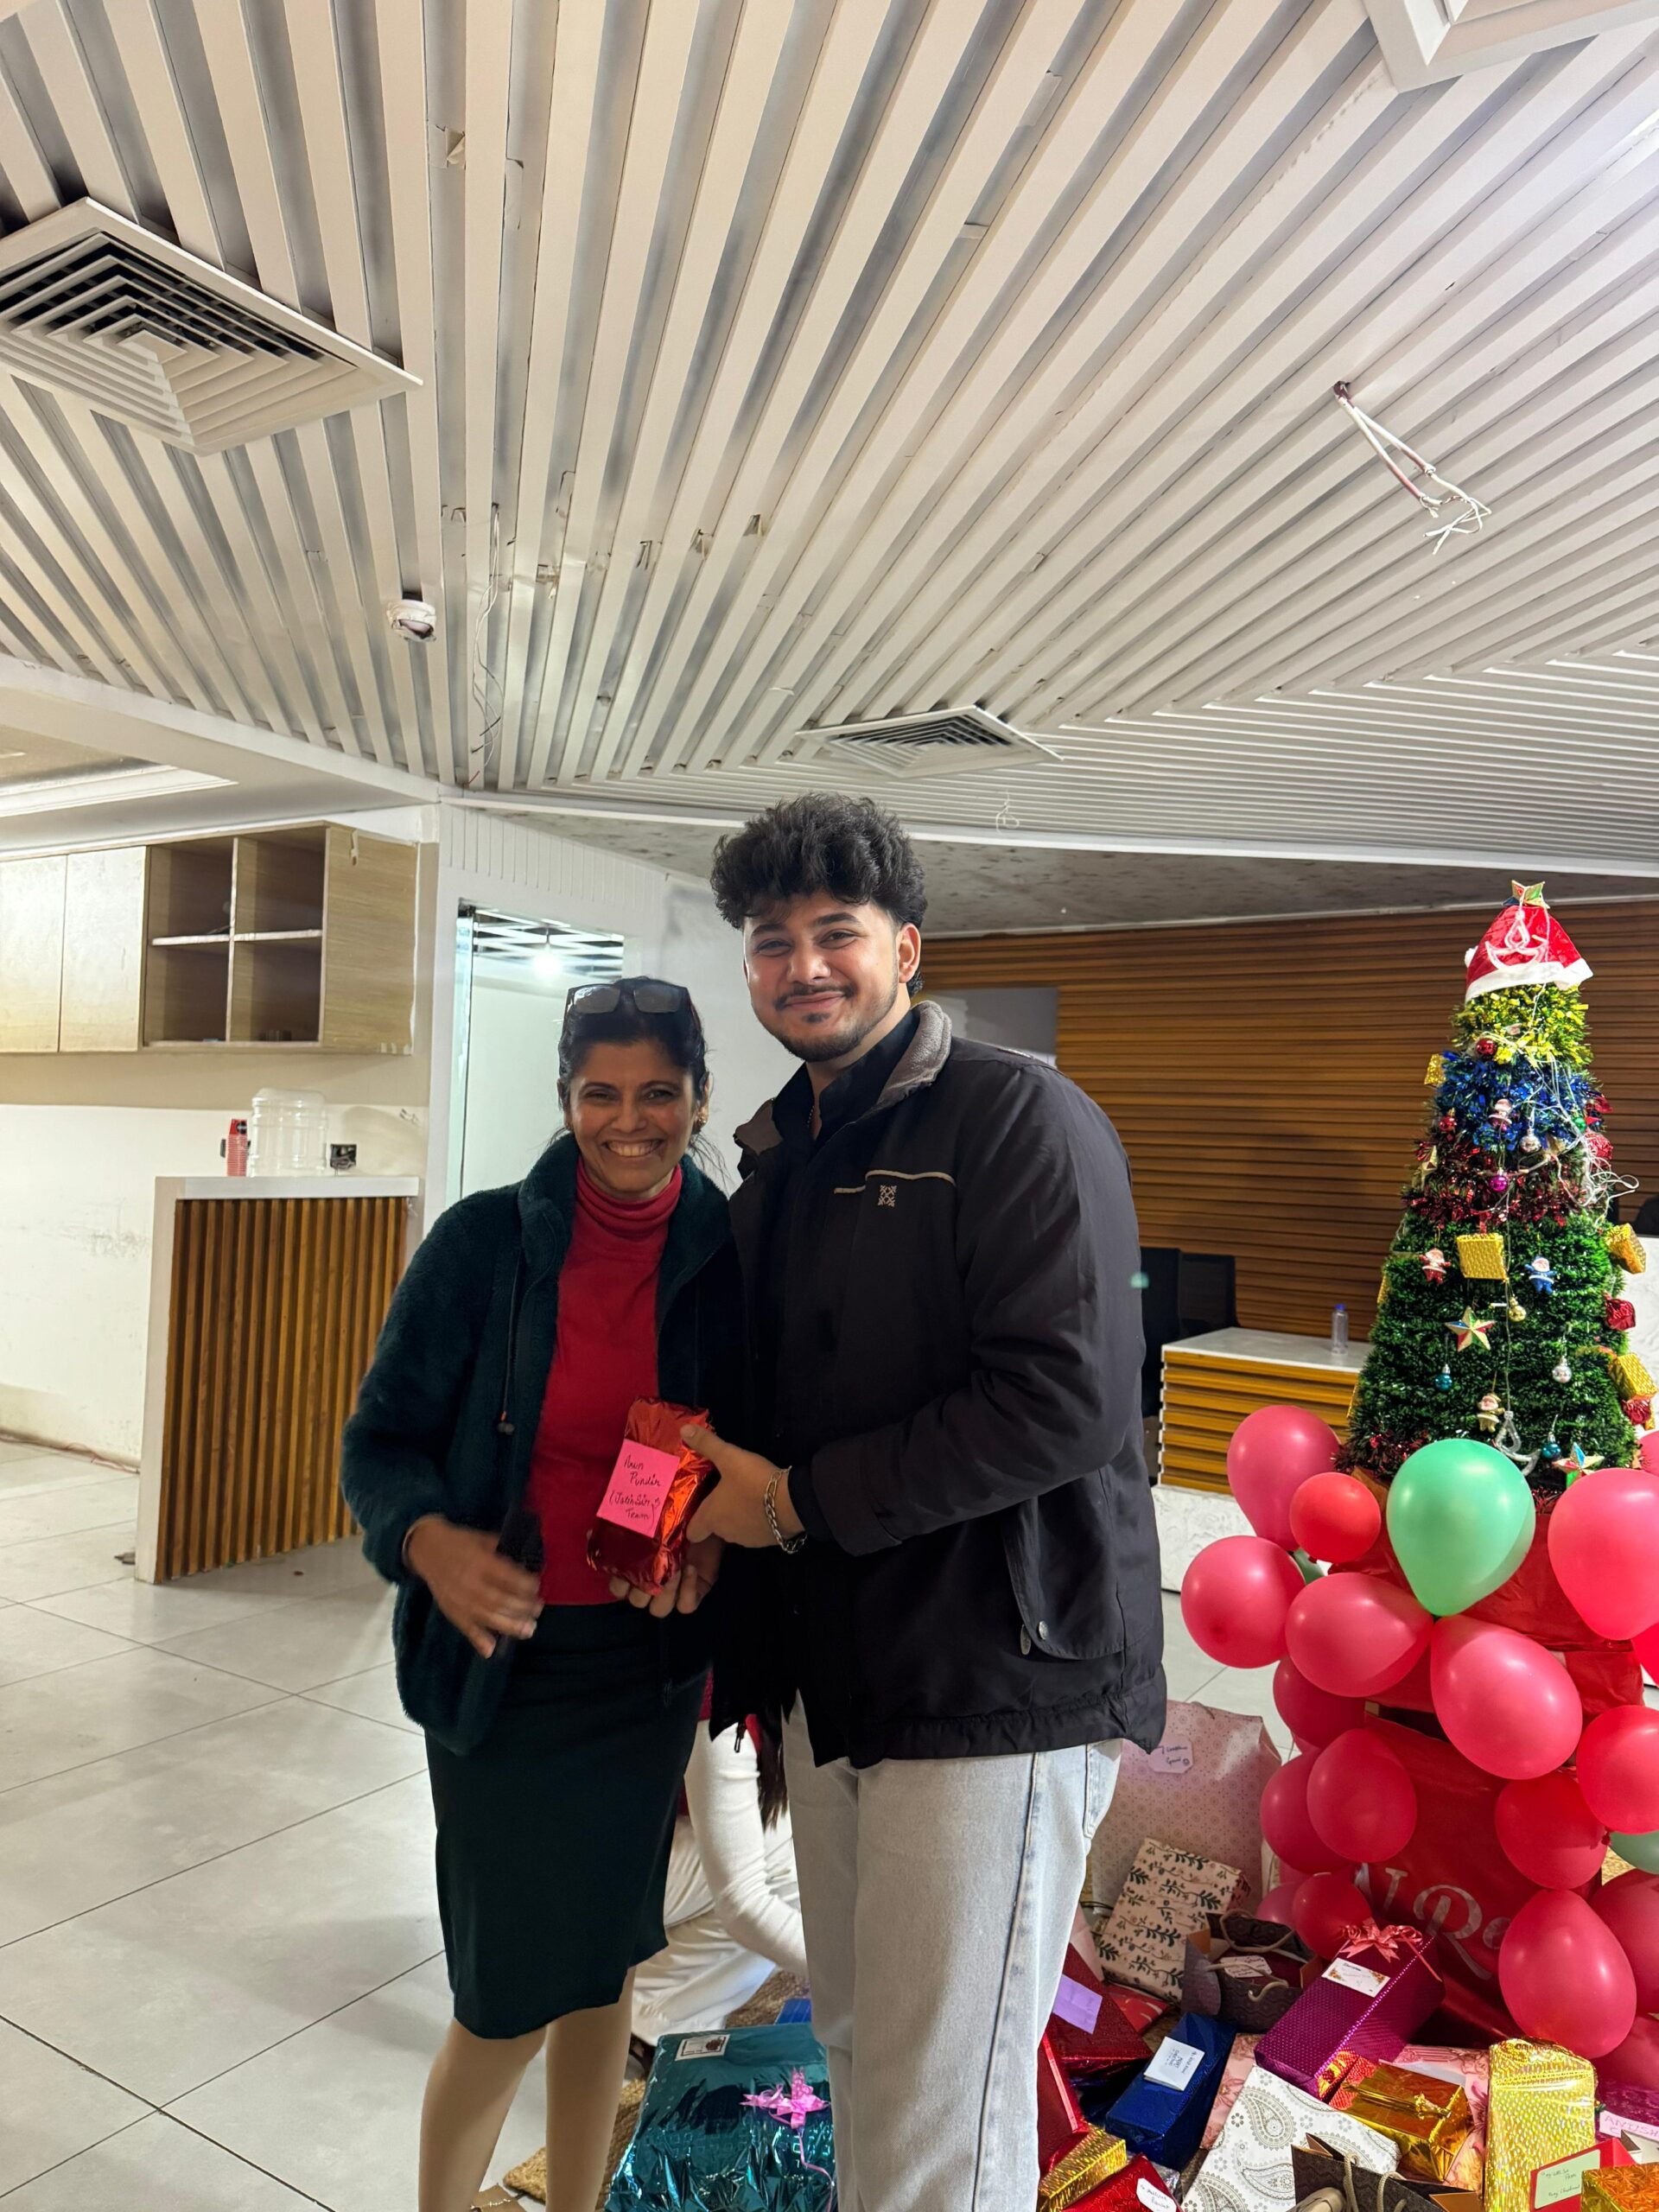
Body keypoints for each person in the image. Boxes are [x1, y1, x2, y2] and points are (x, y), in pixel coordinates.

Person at [687, 794, 1166, 2212]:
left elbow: (1067, 1401)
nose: (802, 967)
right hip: (841, 1680)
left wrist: (793, 1506)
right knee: (861, 2053)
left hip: (992, 1685)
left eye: (834, 934)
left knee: (939, 2111)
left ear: (905, 946)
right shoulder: (779, 1157)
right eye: (771, 942)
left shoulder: (1016, 1117)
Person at [340, 979, 737, 2212]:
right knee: (505, 1997)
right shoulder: (482, 1247)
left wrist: (713, 1546)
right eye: (599, 1094)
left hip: (642, 1673)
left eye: (658, 1093)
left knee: (607, 1966)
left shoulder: (723, 1253)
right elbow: (378, 1444)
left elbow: (743, 1446)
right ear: (565, 1101)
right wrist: (425, 1541)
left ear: (699, 1100)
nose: (630, 1121)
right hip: (498, 1669)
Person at [629, 1691, 806, 2056]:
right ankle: (650, 2014)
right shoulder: (718, 1701)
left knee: (791, 1844)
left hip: (628, 1843)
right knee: (781, 1854)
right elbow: (743, 1902)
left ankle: (660, 2008)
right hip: (572, 1872)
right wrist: (860, 1977)